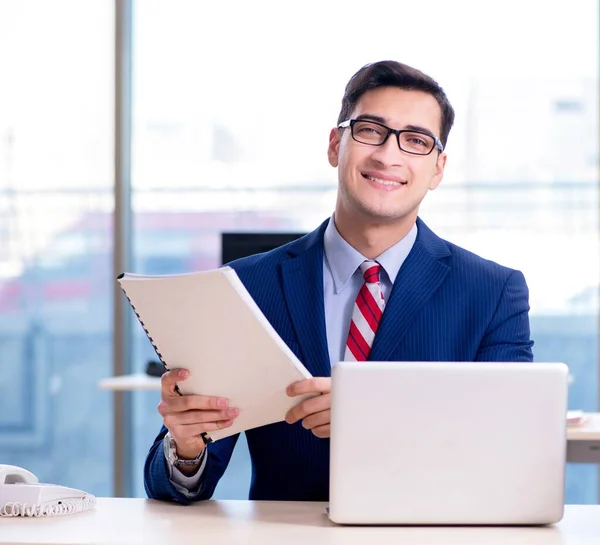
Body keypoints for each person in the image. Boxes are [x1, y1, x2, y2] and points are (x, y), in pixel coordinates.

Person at [144, 60, 534, 504]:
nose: (389, 155)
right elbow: (175, 486)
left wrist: (374, 417)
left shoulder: (492, 293)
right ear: (335, 145)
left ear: (438, 169)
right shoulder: (247, 286)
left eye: (416, 141)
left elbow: (508, 450)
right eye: (371, 130)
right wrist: (187, 447)